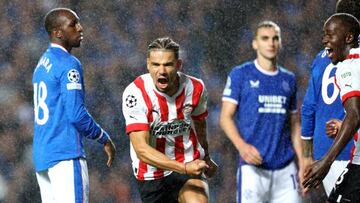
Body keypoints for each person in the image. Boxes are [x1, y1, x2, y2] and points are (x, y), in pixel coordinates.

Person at [32, 8, 116, 203]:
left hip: (44, 156)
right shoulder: (68, 63)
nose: (80, 28)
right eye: (73, 25)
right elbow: (76, 114)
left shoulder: (42, 63)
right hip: (65, 153)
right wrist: (103, 137)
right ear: (58, 32)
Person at [122, 37, 217, 203]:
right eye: (156, 65)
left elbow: (200, 125)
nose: (162, 71)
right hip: (152, 173)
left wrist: (206, 157)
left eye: (168, 64)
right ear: (147, 65)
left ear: (178, 65)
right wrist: (183, 167)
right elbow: (142, 149)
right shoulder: (135, 93)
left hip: (188, 162)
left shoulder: (196, 88)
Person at [219, 21, 303, 203]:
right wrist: (242, 146)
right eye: (265, 38)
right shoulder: (240, 74)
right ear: (255, 43)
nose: (271, 43)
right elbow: (225, 117)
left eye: (275, 38)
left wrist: (303, 163)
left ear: (280, 43)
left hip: (285, 168)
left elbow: (295, 123)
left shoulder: (289, 79)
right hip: (253, 167)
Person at [301, 0, 360, 197]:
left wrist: (308, 156)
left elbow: (308, 107)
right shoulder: (343, 57)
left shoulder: (324, 59)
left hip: (330, 148)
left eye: (330, 33)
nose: (325, 40)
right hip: (344, 148)